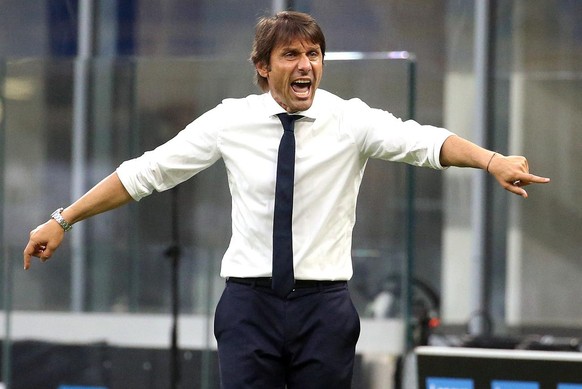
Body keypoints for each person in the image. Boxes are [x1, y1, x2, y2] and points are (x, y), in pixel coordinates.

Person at [23, 11, 550, 389]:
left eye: (314, 54)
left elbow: (424, 141)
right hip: (248, 306)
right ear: (262, 66)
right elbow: (145, 173)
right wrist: (63, 220)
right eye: (291, 55)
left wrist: (490, 160)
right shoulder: (229, 120)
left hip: (325, 308)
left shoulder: (350, 119)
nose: (306, 66)